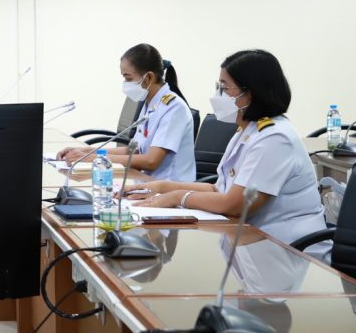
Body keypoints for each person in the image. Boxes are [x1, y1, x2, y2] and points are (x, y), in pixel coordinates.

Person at [125, 49, 330, 259]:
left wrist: (178, 197)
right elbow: (219, 188)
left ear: (250, 93)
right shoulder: (247, 131)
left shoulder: (275, 138)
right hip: (254, 244)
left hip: (291, 252)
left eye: (224, 88)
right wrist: (161, 187)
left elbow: (235, 205)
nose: (218, 95)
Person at [57, 44, 196, 182]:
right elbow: (132, 151)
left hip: (169, 189)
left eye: (128, 78)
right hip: (145, 183)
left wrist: (95, 158)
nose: (125, 83)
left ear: (148, 78)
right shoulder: (150, 104)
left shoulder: (174, 108)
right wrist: (85, 152)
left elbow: (151, 161)